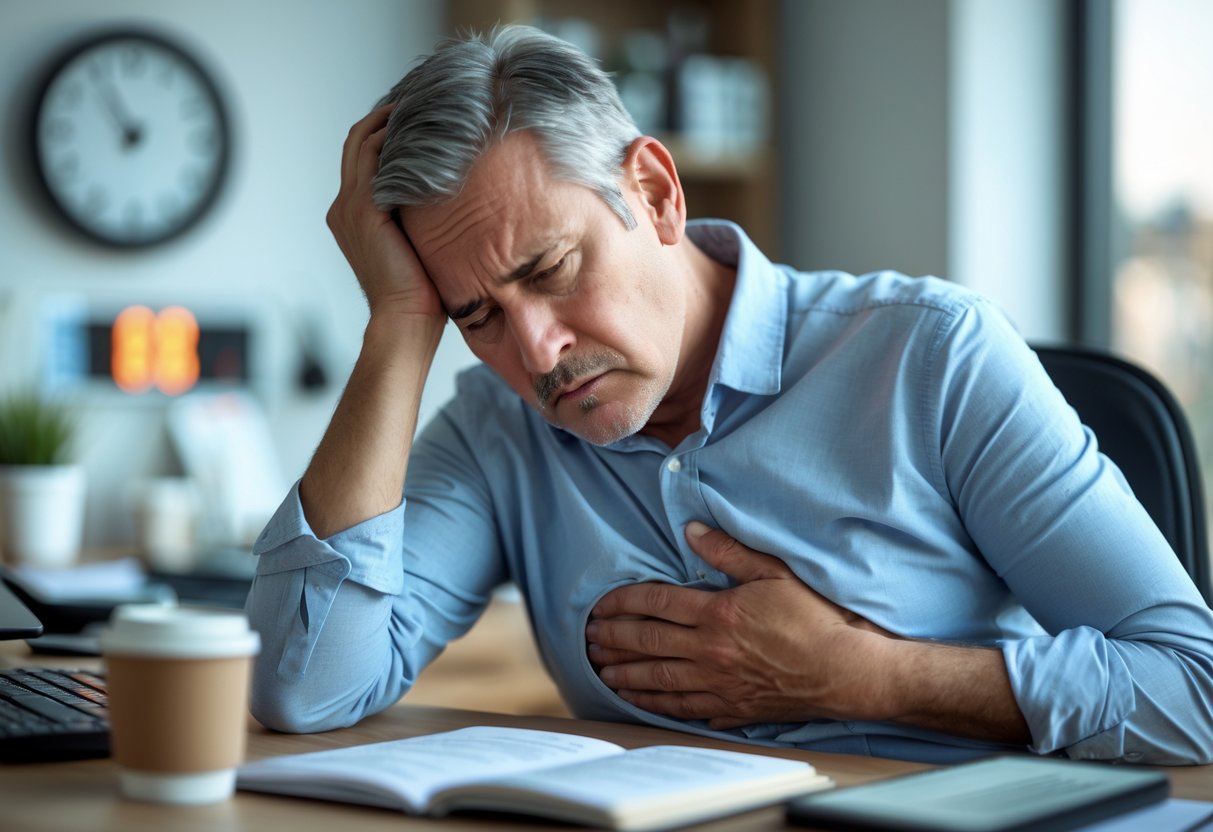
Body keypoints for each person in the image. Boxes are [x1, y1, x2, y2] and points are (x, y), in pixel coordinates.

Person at [246, 24, 1213, 765]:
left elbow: (1194, 690)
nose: (537, 351)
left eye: (549, 269)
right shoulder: (500, 427)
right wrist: (399, 326)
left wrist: (867, 678)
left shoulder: (931, 357)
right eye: (476, 314)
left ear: (657, 193)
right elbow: (304, 688)